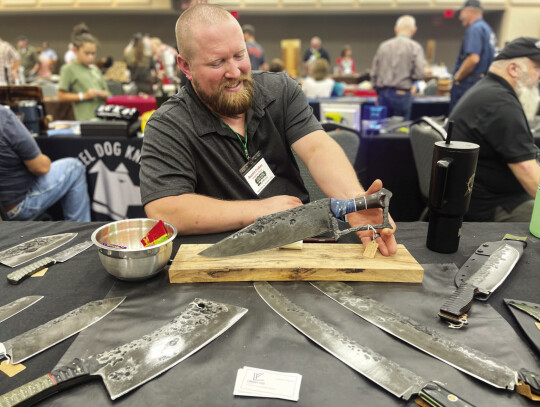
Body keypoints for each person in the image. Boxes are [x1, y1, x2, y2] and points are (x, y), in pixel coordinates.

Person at [140, 4, 397, 256]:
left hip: (299, 247)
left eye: (240, 55)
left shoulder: (280, 91)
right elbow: (166, 210)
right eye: (217, 62)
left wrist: (354, 201)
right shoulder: (168, 125)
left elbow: (318, 149)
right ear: (185, 66)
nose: (234, 72)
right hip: (221, 258)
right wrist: (259, 211)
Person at [450, 37, 540, 222]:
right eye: (537, 69)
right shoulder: (500, 103)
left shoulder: (489, 90)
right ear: (514, 69)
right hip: (492, 205)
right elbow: (527, 171)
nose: (539, 76)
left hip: (481, 195)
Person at [0, 105, 90, 221]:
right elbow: (41, 168)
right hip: (15, 206)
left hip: (5, 205)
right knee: (74, 167)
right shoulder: (3, 116)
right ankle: (81, 234)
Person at [370, 15, 425, 119]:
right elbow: (420, 74)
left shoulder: (383, 46)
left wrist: (378, 91)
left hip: (383, 94)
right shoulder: (415, 47)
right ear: (414, 30)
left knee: (381, 129)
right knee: (401, 131)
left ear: (396, 29)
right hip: (402, 94)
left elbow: (373, 73)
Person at [449, 0, 496, 112]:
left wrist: (457, 78)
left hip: (469, 83)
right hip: (482, 81)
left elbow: (473, 59)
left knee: (458, 121)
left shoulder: (475, 29)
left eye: (461, 13)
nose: (460, 17)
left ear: (470, 11)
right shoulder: (487, 29)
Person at [58, 23, 109, 121]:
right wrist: (84, 96)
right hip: (84, 119)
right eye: (86, 53)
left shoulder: (96, 69)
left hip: (102, 118)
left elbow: (107, 93)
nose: (90, 57)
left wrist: (104, 94)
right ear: (75, 50)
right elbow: (61, 96)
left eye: (93, 53)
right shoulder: (68, 69)